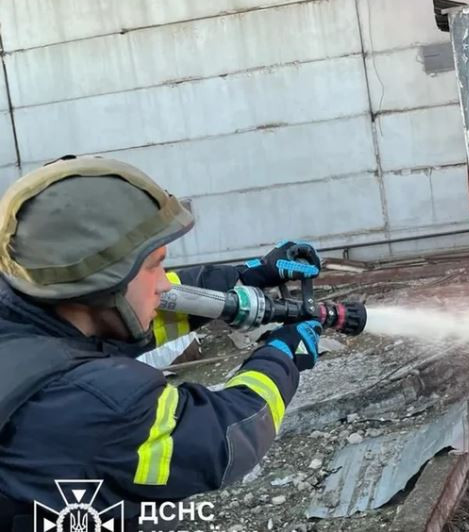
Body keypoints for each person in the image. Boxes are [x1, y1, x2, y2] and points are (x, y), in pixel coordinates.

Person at [0, 156, 330, 530]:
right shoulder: (98, 404)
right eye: (154, 265)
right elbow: (224, 439)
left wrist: (245, 277)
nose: (164, 283)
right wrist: (282, 356)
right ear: (102, 283)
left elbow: (134, 317)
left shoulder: (32, 308)